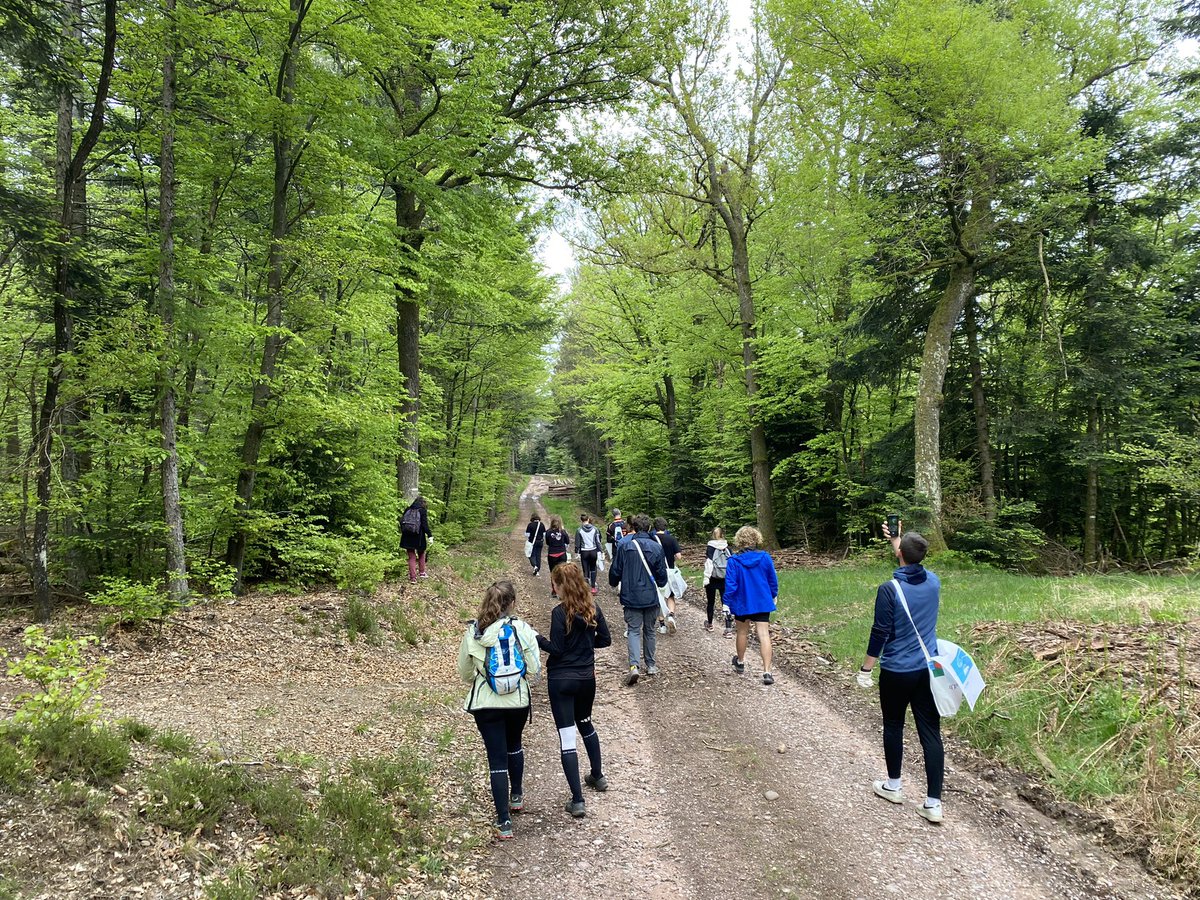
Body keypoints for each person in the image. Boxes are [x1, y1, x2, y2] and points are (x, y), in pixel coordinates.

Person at [856, 524, 945, 825]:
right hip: (927, 670)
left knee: (893, 725)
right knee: (930, 732)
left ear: (898, 555)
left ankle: (894, 785)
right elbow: (912, 561)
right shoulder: (934, 582)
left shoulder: (889, 590)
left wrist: (866, 669)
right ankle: (933, 803)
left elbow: (880, 631)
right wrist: (898, 539)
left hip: (896, 670)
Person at [457, 580, 541, 839]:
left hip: (485, 702)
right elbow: (535, 667)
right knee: (514, 744)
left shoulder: (474, 633)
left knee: (496, 758)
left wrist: (484, 677)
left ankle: (503, 821)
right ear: (512, 603)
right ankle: (516, 795)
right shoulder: (522, 629)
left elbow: (465, 672)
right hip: (516, 701)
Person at [538, 563, 612, 818]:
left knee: (567, 736)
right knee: (586, 724)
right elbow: (605, 640)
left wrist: (537, 639)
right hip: (585, 679)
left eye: (555, 584)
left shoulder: (560, 613)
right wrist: (586, 645)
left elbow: (556, 649)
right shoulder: (593, 609)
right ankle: (597, 775)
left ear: (561, 586)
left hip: (561, 680)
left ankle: (577, 799)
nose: (554, 588)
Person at [608, 513, 668, 685]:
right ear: (649, 528)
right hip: (650, 596)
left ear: (633, 527)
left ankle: (634, 666)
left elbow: (616, 570)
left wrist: (614, 582)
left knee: (634, 630)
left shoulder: (625, 546)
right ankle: (650, 665)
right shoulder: (656, 547)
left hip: (631, 595)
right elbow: (662, 576)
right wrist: (660, 583)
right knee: (649, 630)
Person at [724, 525, 778, 685]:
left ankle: (740, 662)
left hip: (742, 602)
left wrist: (726, 602)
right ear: (756, 539)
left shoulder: (733, 561)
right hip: (761, 601)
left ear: (739, 541)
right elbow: (772, 580)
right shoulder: (765, 557)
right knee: (764, 635)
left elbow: (731, 584)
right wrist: (773, 595)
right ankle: (767, 672)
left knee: (742, 633)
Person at [650, 517, 681, 635]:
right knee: (670, 596)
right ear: (665, 526)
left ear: (655, 527)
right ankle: (671, 616)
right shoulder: (671, 539)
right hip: (670, 571)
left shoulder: (652, 539)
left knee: (659, 598)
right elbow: (679, 556)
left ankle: (662, 625)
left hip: (656, 572)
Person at [702, 527, 731, 634]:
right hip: (725, 579)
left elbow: (709, 564)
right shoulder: (727, 547)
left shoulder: (710, 547)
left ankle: (710, 624)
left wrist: (706, 578)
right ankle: (728, 628)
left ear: (712, 535)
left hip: (712, 578)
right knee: (726, 602)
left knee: (711, 602)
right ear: (723, 535)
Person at [400, 496, 432, 584]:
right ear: (423, 503)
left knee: (411, 557)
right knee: (421, 553)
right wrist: (430, 535)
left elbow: (401, 522)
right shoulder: (422, 511)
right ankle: (422, 572)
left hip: (407, 536)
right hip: (419, 537)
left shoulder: (407, 509)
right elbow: (425, 525)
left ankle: (413, 578)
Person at [575, 514, 603, 594]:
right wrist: (601, 550)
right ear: (588, 519)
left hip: (584, 552)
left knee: (585, 569)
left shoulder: (579, 530)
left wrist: (577, 552)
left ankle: (586, 588)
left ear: (581, 520)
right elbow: (598, 541)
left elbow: (577, 543)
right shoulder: (595, 529)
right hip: (593, 551)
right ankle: (593, 587)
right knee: (593, 568)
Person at [544, 516, 571, 597]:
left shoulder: (548, 532)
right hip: (562, 554)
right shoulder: (563, 532)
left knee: (553, 572)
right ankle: (563, 591)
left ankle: (554, 591)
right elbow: (567, 541)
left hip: (552, 554)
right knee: (563, 572)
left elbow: (547, 543)